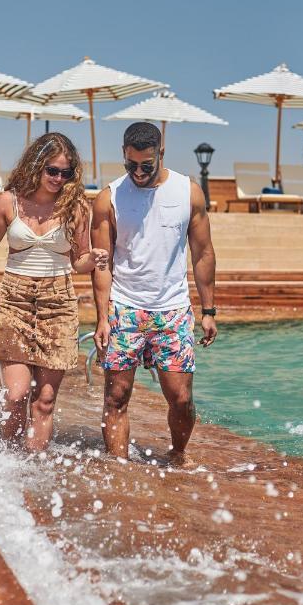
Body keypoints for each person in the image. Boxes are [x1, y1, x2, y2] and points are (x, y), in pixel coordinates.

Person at [0, 133, 108, 451]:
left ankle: (33, 472)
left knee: (44, 401)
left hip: (59, 304)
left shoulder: (76, 207)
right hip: (14, 300)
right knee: (16, 396)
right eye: (52, 170)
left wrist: (93, 258)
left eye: (66, 173)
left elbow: (80, 262)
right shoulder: (8, 202)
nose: (58, 178)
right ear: (36, 166)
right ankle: (8, 463)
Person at [91, 122, 217, 464]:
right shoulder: (109, 198)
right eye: (131, 165)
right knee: (116, 397)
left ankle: (177, 453)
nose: (139, 172)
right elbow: (102, 264)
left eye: (147, 165)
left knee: (180, 398)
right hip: (125, 308)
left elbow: (203, 253)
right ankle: (119, 467)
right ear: (123, 155)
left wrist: (208, 310)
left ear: (161, 154)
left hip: (173, 310)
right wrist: (102, 316)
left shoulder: (188, 192)